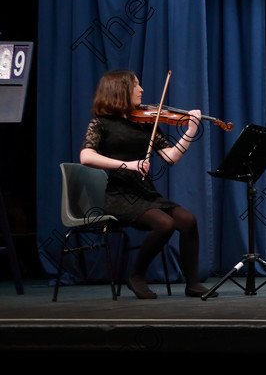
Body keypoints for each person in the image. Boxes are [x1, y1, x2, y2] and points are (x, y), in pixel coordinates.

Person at [80, 69, 215, 299]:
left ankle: (192, 283)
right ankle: (136, 276)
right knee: (165, 224)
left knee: (188, 220)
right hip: (119, 196)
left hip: (146, 193)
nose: (141, 90)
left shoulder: (145, 122)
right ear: (120, 89)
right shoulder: (101, 123)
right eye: (136, 85)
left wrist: (191, 130)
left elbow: (171, 156)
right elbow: (86, 156)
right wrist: (128, 165)